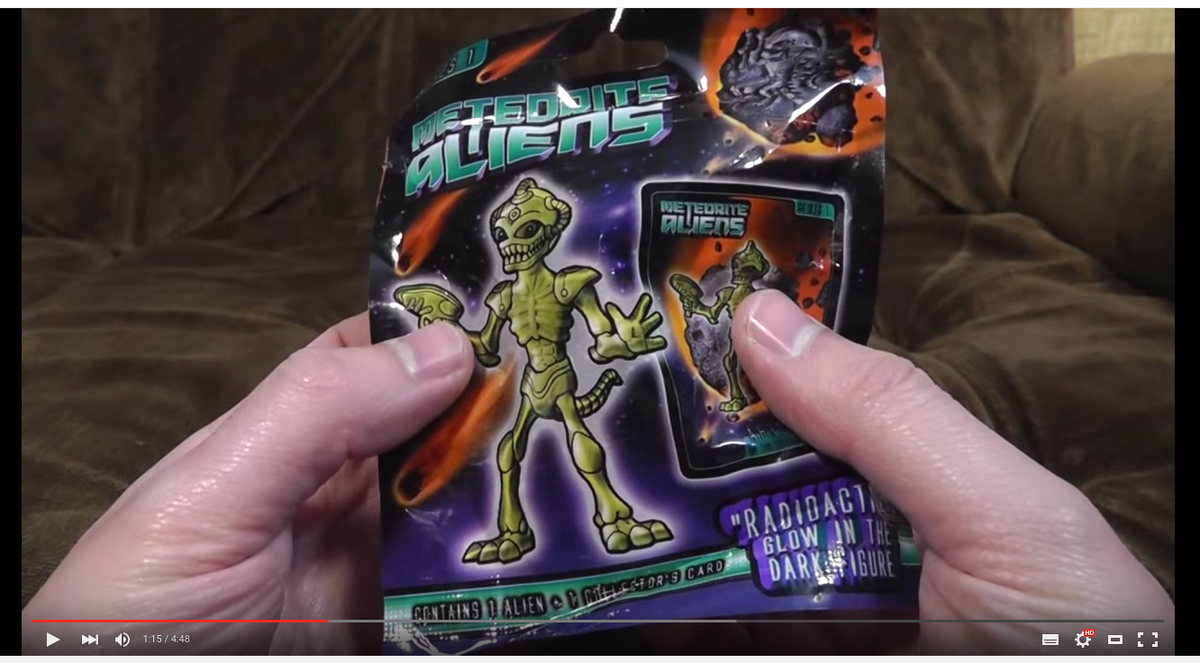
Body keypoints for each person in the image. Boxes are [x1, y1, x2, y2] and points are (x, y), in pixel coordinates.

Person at [21, 291, 1175, 655]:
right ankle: (555, 528)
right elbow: (483, 336)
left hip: (568, 381)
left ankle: (610, 519)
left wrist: (637, 337)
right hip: (522, 386)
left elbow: (612, 326)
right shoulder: (521, 282)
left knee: (569, 450)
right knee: (523, 461)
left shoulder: (566, 284)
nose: (525, 243)